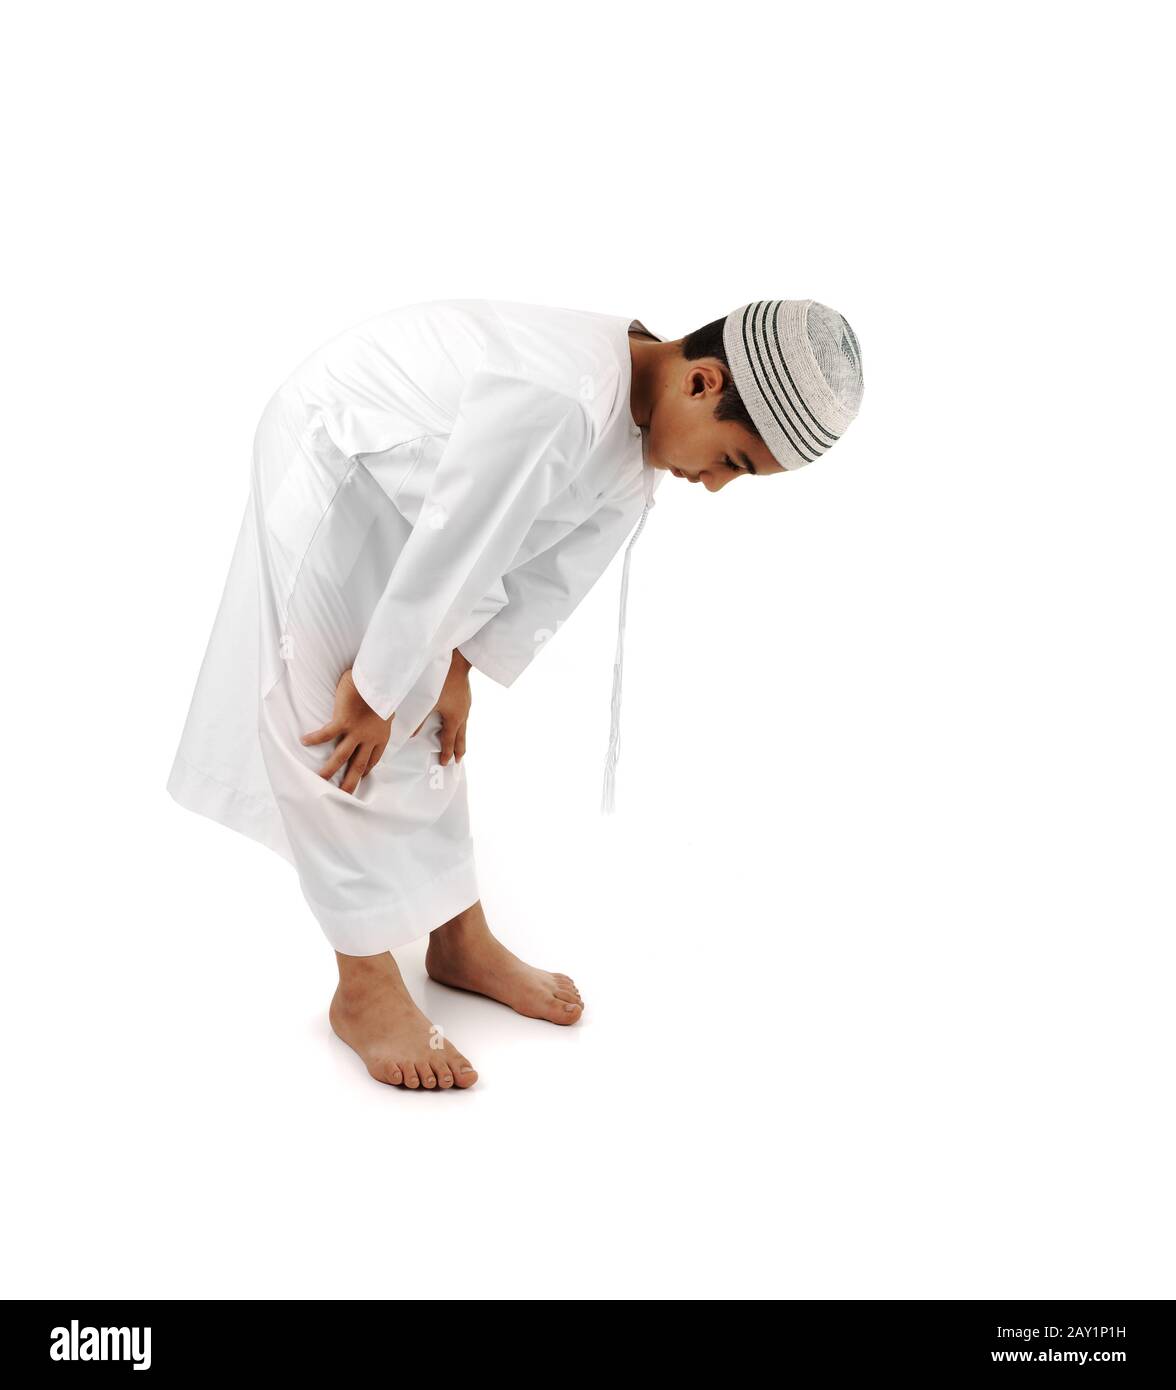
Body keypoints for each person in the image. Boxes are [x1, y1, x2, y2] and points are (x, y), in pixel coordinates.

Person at [167, 297, 865, 1090]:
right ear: (702, 383)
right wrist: (373, 689)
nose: (713, 486)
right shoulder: (563, 395)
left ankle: (457, 939)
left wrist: (456, 665)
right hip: (340, 448)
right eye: (731, 462)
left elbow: (543, 568)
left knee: (424, 721)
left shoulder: (637, 446)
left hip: (426, 502)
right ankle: (362, 986)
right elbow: (461, 533)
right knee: (330, 721)